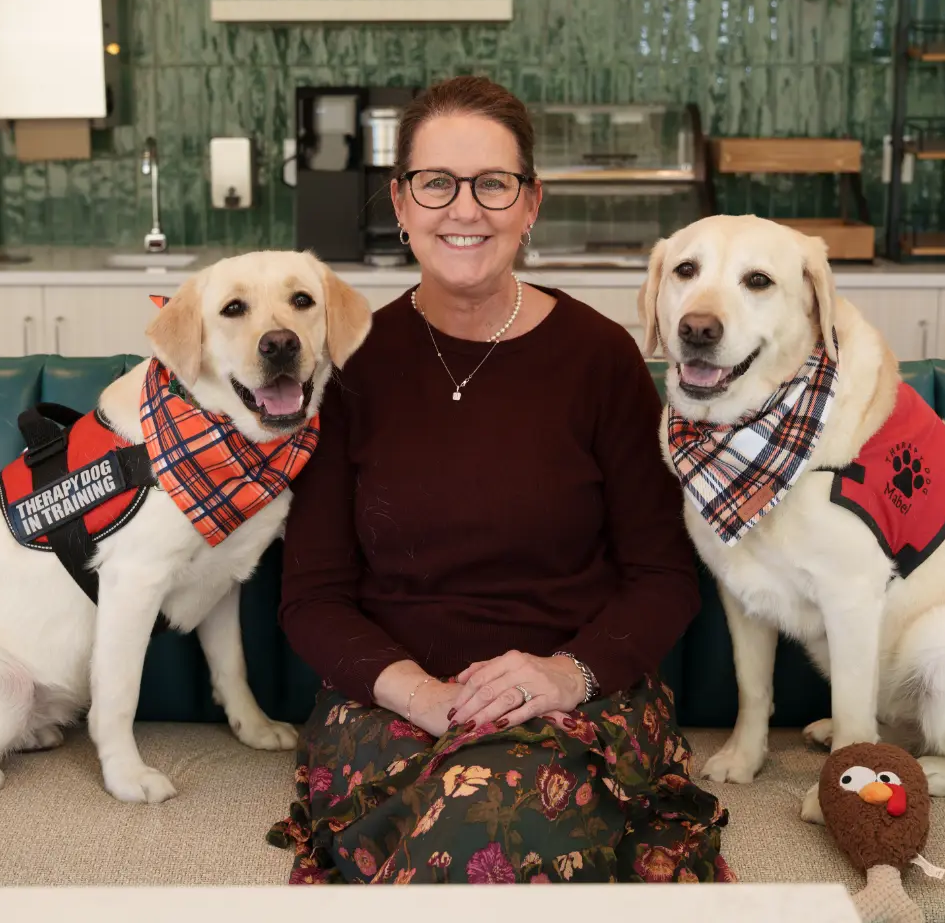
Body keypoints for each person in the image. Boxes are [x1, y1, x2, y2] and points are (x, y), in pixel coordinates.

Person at [265, 75, 734, 885]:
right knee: (474, 812)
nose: (465, 209)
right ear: (400, 201)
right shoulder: (346, 364)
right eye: (436, 183)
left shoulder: (599, 359)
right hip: (392, 705)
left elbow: (663, 578)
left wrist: (565, 674)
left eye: (492, 183)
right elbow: (311, 597)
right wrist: (419, 694)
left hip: (578, 702)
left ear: (530, 203)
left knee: (494, 811)